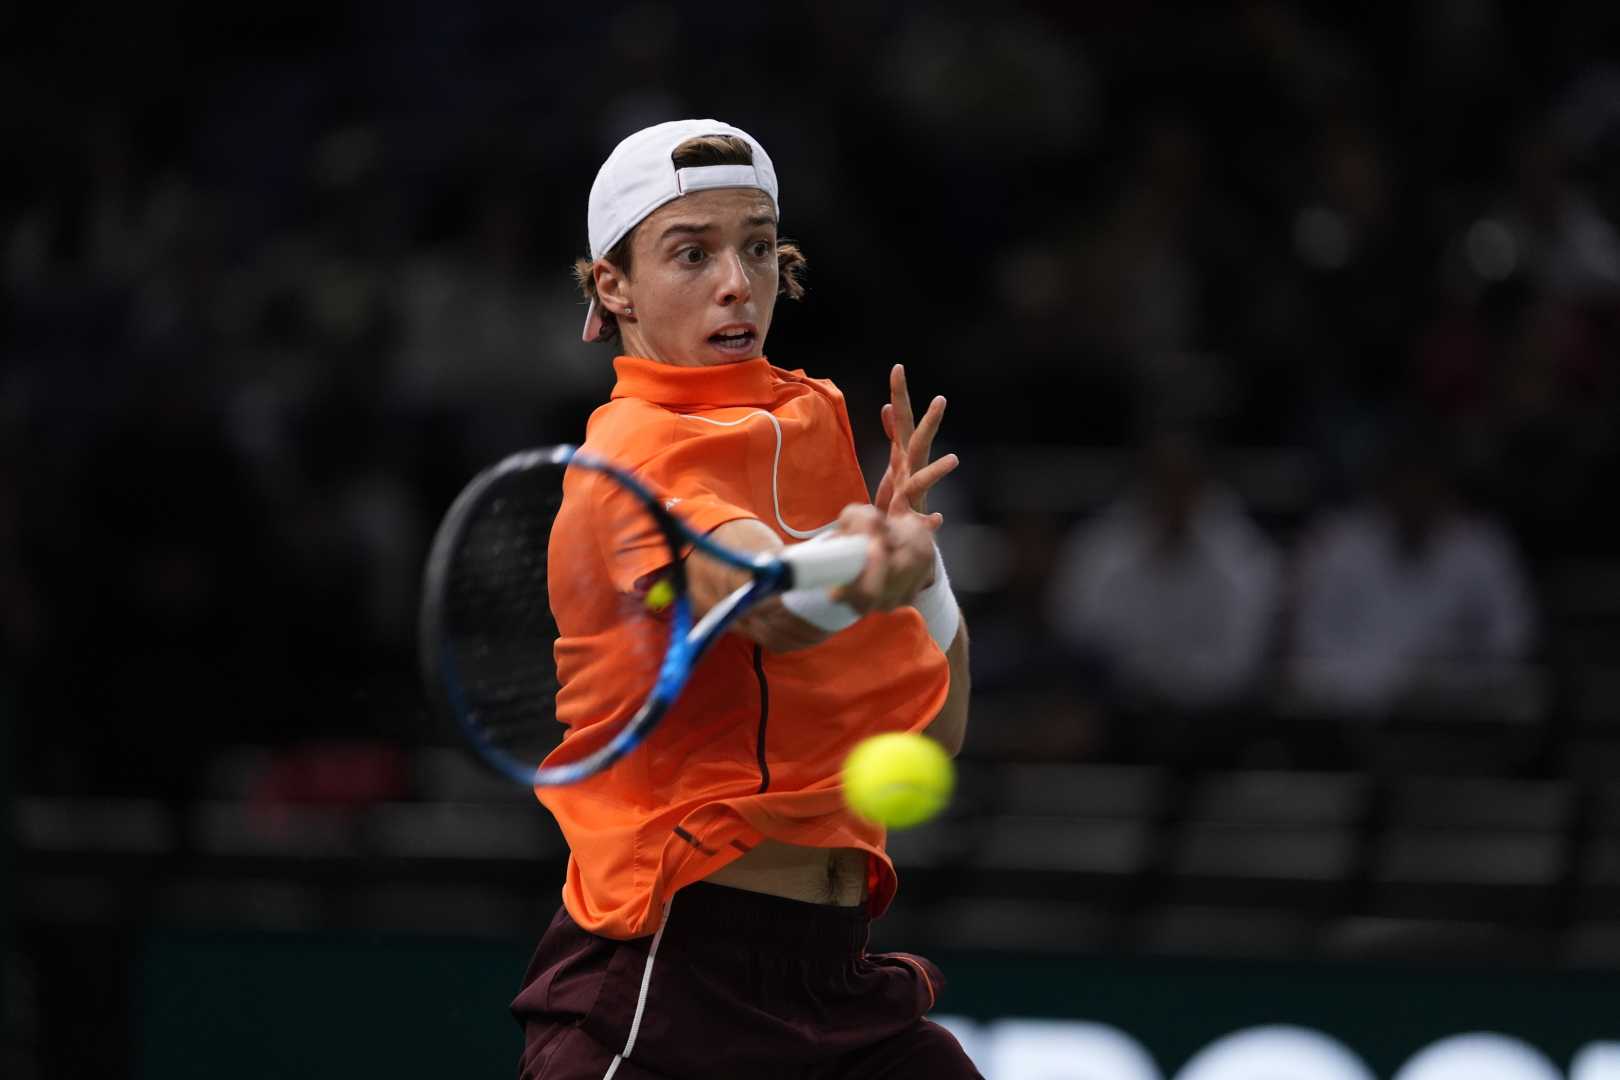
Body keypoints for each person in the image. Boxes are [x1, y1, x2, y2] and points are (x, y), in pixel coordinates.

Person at [511, 119, 978, 1079]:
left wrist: (919, 572)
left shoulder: (811, 422)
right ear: (613, 285)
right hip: (669, 984)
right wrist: (849, 567)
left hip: (836, 983)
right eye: (691, 253)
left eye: (759, 248)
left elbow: (937, 734)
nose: (737, 281)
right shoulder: (626, 460)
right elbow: (758, 595)